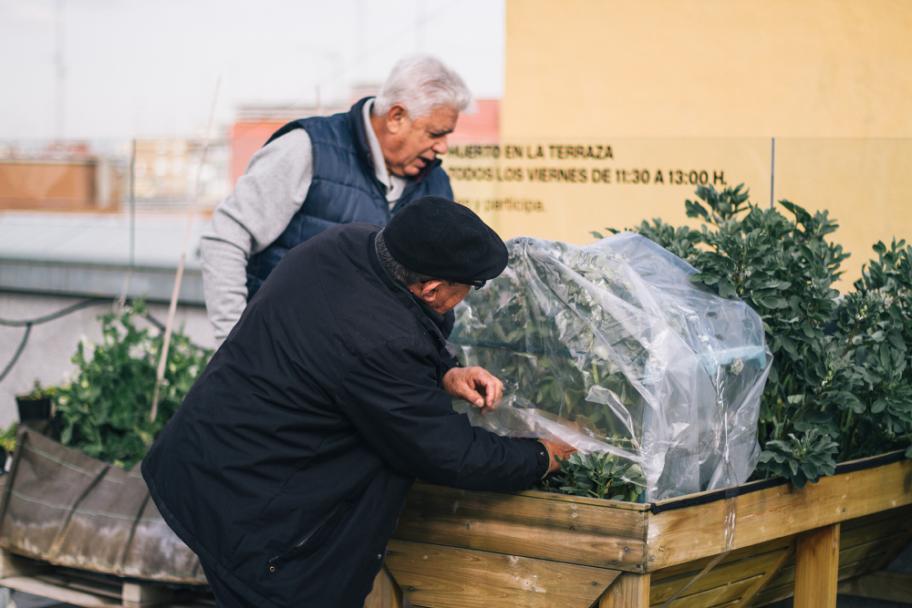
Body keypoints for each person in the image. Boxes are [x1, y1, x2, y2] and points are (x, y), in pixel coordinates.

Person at [142, 196, 573, 608]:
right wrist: (540, 455)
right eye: (470, 287)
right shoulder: (378, 340)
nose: (469, 296)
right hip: (257, 508)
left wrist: (445, 372)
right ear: (432, 288)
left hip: (217, 460)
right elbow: (446, 452)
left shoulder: (349, 244)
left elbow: (372, 347)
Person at [201, 55, 469, 343]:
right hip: (282, 357)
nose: (443, 147)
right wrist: (235, 343)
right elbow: (226, 238)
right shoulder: (306, 147)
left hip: (373, 367)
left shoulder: (437, 186)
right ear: (396, 117)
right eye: (435, 133)